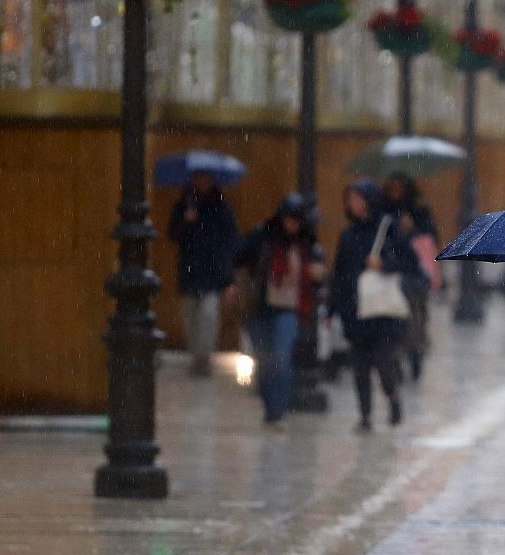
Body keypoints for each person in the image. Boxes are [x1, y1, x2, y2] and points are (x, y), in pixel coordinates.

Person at [329, 181, 420, 433]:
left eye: (357, 198)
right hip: (355, 310)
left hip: (382, 312)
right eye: (350, 199)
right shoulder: (348, 235)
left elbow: (410, 263)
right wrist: (331, 310)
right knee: (359, 366)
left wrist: (383, 264)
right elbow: (339, 274)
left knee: (383, 362)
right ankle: (365, 415)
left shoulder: (388, 228)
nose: (353, 204)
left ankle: (393, 399)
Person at [232, 194, 324, 428]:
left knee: (281, 359)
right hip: (258, 307)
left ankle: (278, 411)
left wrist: (318, 276)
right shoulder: (261, 237)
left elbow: (318, 277)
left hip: (288, 309)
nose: (292, 225)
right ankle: (270, 407)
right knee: (264, 362)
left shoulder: (306, 245)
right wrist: (233, 285)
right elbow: (237, 258)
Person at [166, 170, 239, 377]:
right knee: (191, 318)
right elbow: (173, 234)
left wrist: (228, 276)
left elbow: (230, 241)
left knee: (207, 317)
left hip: (211, 271)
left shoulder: (222, 208)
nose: (202, 182)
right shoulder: (184, 204)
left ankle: (203, 358)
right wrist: (186, 222)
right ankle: (196, 356)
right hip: (189, 269)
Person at [380, 173, 438, 381]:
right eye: (391, 188)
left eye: (399, 188)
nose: (395, 193)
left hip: (414, 278)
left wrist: (411, 228)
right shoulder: (383, 214)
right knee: (394, 323)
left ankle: (415, 356)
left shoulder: (419, 211)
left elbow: (431, 239)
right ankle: (397, 363)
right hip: (390, 276)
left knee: (414, 321)